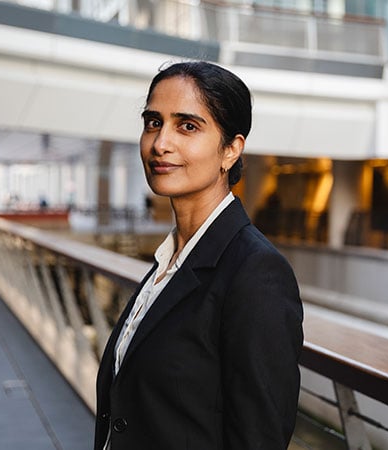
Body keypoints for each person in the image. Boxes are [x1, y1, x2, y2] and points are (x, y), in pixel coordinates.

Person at [94, 61, 303, 450]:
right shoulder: (167, 262)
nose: (160, 144)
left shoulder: (256, 272)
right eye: (153, 122)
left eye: (187, 126)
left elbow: (259, 439)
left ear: (230, 150)